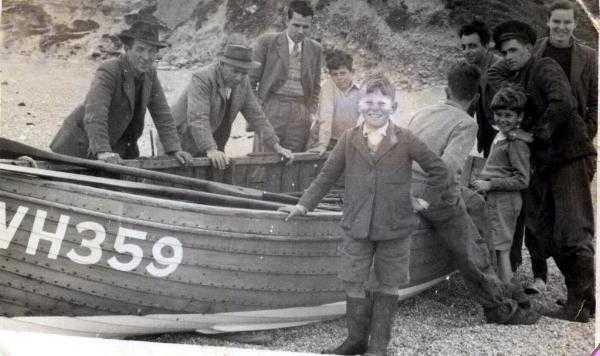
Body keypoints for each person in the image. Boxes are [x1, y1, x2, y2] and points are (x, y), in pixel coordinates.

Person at [281, 74, 449, 356]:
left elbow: (439, 170)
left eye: (382, 102)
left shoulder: (406, 139)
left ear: (393, 107)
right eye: (369, 101)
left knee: (389, 282)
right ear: (360, 105)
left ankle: (378, 346)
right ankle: (355, 340)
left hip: (395, 226)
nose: (375, 107)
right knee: (353, 280)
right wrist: (303, 205)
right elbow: (326, 176)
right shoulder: (348, 139)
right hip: (356, 225)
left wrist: (424, 200)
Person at [405, 61, 539, 326]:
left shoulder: (421, 113)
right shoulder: (466, 123)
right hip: (435, 191)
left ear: (446, 90)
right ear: (476, 98)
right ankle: (496, 306)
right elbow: (446, 169)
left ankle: (499, 280)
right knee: (468, 242)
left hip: (405, 182)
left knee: (476, 202)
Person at [488, 20, 596, 322]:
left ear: (528, 49)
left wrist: (534, 134)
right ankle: (581, 301)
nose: (508, 56)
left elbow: (562, 102)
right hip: (549, 162)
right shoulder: (517, 76)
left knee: (573, 232)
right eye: (504, 52)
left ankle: (580, 305)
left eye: (513, 50)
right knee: (549, 232)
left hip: (569, 157)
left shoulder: (544, 66)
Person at [520, 0, 598, 294]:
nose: (561, 27)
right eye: (556, 22)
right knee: (538, 212)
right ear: (548, 22)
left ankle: (580, 297)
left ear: (575, 24)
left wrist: (586, 133)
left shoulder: (589, 57)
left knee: (573, 220)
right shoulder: (535, 52)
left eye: (567, 22)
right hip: (539, 145)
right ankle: (540, 275)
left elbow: (593, 102)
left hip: (572, 149)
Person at [50, 21, 192, 166]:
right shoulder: (109, 70)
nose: (146, 56)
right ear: (127, 48)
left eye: (151, 51)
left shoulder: (150, 74)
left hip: (118, 149)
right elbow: (95, 112)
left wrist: (174, 149)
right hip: (78, 148)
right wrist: (102, 150)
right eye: (140, 49)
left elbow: (162, 114)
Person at [171, 45, 293, 170]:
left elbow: (256, 115)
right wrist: (210, 149)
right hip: (181, 139)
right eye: (235, 71)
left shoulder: (242, 81)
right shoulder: (202, 78)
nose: (239, 77)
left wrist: (276, 146)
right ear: (222, 64)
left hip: (214, 140)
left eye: (244, 73)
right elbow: (198, 118)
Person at [472, 85, 531, 284]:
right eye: (499, 114)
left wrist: (490, 184)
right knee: (495, 246)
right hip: (495, 199)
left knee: (501, 249)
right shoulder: (502, 137)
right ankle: (502, 288)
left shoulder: (516, 143)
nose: (502, 119)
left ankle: (507, 292)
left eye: (508, 115)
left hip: (505, 201)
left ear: (519, 117)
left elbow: (523, 180)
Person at [250, 0, 322, 153]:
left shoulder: (316, 48)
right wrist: (258, 111)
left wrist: (311, 110)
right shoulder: (266, 42)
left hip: (301, 111)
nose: (301, 31)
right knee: (264, 158)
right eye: (296, 25)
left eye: (306, 26)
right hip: (271, 107)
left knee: (294, 161)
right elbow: (250, 81)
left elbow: (316, 86)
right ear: (287, 20)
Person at [458, 19, 502, 157]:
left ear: (486, 45)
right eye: (464, 47)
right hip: (486, 132)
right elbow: (467, 106)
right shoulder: (470, 69)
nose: (467, 52)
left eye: (472, 46)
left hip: (503, 132)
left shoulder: (500, 67)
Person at [307, 48, 360, 155]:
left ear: (352, 72)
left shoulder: (360, 91)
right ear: (330, 75)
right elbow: (326, 116)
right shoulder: (328, 86)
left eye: (343, 73)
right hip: (325, 139)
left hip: (348, 141)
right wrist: (322, 145)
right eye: (335, 74)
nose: (339, 78)